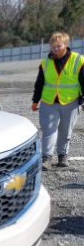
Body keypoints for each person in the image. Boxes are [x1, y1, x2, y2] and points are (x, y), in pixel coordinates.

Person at [32, 32, 84, 170]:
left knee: (65, 131)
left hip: (71, 102)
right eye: (53, 46)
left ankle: (62, 156)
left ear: (66, 45)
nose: (55, 49)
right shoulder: (45, 63)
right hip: (49, 102)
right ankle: (46, 158)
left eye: (58, 46)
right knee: (49, 130)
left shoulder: (78, 60)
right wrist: (35, 100)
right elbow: (39, 83)